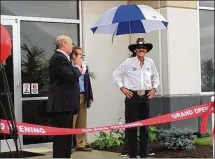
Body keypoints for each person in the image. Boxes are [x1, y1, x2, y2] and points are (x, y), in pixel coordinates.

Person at [113, 38, 160, 158]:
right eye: (139, 48)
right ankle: (132, 155)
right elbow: (116, 74)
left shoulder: (150, 62)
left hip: (146, 96)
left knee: (145, 127)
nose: (141, 50)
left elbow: (156, 77)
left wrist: (154, 89)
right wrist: (122, 88)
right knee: (132, 127)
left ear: (146, 50)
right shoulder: (128, 62)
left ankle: (144, 154)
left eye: (144, 48)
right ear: (135, 50)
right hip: (132, 97)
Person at [47, 35, 82, 158]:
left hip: (66, 105)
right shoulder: (58, 58)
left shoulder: (64, 58)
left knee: (67, 139)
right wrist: (77, 66)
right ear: (63, 45)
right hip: (61, 105)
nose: (72, 47)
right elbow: (70, 76)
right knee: (61, 140)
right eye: (71, 44)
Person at [70, 46, 94, 151]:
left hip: (83, 94)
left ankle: (80, 144)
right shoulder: (69, 67)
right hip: (73, 96)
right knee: (72, 120)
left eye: (82, 55)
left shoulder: (84, 66)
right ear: (73, 56)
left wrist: (90, 96)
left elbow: (87, 82)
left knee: (82, 121)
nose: (81, 57)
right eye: (79, 55)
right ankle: (68, 144)